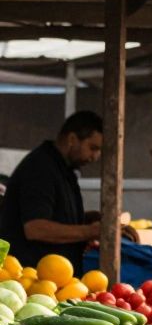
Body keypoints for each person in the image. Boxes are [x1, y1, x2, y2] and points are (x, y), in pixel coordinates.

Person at [0, 111, 137, 274]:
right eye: (93, 148)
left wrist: (86, 219)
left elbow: (54, 215)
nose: (95, 157)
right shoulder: (40, 169)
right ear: (72, 139)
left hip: (55, 278)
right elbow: (35, 228)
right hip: (32, 279)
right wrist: (91, 231)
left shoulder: (63, 169)